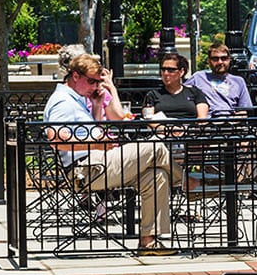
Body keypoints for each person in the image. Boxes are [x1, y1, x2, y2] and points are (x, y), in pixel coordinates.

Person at [44, 54, 173, 255]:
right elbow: (55, 138)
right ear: (75, 76)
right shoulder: (64, 101)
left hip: (96, 165)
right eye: (91, 81)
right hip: (85, 169)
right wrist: (96, 144)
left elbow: (94, 131)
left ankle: (148, 242)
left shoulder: (77, 99)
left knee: (156, 176)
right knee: (155, 147)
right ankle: (188, 183)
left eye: (98, 82)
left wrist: (96, 107)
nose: (96, 86)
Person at [58, 43, 132, 120]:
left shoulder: (98, 91)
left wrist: (111, 88)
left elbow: (117, 117)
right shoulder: (65, 99)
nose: (94, 86)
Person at [186, 42, 254, 117]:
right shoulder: (198, 77)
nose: (220, 62)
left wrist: (234, 121)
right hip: (206, 123)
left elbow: (244, 110)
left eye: (224, 58)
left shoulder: (238, 81)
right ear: (209, 60)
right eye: (215, 59)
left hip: (231, 123)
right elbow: (181, 94)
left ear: (229, 60)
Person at [143, 53, 208, 119]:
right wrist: (169, 129)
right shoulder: (153, 95)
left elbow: (202, 119)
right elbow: (148, 119)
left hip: (189, 128)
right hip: (162, 128)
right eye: (163, 69)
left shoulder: (195, 92)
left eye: (171, 70)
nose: (166, 73)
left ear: (181, 72)